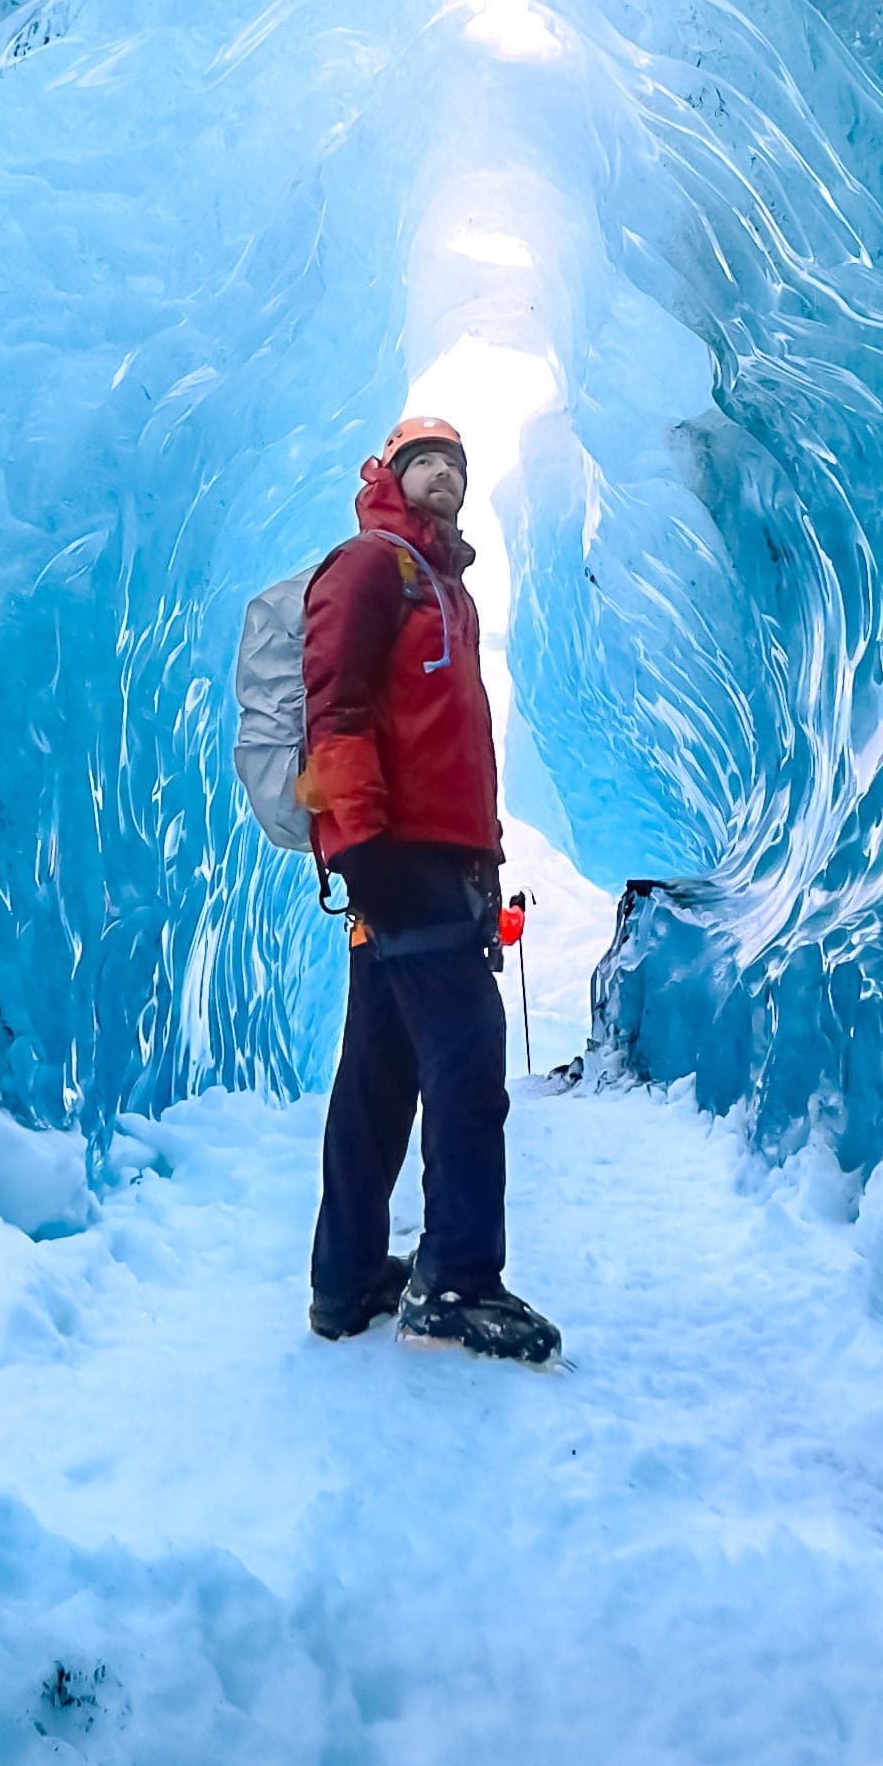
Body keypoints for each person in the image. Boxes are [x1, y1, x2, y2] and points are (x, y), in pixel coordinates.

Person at [297, 413, 565, 1366]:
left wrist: (482, 857)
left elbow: (451, 746)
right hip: (398, 857)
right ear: (391, 473)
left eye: (453, 463)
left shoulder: (446, 588)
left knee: (380, 1073)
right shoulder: (375, 565)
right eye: (424, 463)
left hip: (437, 859)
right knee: (464, 1059)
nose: (442, 476)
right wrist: (359, 844)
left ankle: (346, 1280)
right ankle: (456, 1282)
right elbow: (334, 706)